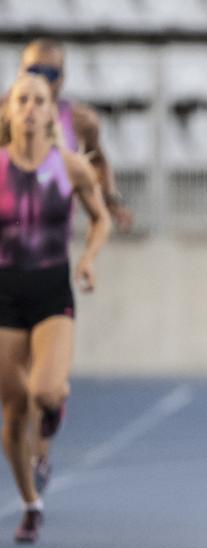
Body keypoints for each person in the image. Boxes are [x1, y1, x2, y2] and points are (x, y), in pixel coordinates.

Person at [17, 38, 134, 493]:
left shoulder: (79, 120)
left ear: (62, 79)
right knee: (17, 381)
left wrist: (111, 200)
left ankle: (40, 454)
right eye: (33, 72)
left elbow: (98, 161)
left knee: (43, 383)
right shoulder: (7, 113)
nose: (41, 82)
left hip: (50, 259)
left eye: (50, 74)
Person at [0, 73, 111, 543]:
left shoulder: (69, 166)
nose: (29, 108)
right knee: (13, 413)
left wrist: (87, 259)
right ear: (9, 111)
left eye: (38, 101)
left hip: (51, 292)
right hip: (4, 294)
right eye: (21, 100)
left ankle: (53, 409)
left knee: (45, 392)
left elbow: (101, 218)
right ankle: (31, 503)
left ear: (51, 111)